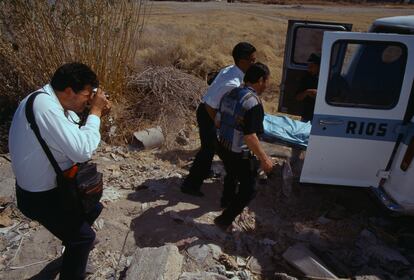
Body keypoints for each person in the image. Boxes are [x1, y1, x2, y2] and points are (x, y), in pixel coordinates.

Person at [9, 62, 111, 280]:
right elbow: (82, 150)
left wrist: (92, 111)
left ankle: (73, 251)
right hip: (40, 197)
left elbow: (74, 133)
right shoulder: (45, 108)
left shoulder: (47, 101)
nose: (89, 99)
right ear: (68, 91)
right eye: (87, 94)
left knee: (93, 208)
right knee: (84, 238)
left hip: (47, 190)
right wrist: (95, 112)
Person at [181, 42, 257, 197]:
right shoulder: (232, 82)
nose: (254, 63)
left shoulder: (231, 69)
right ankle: (190, 185)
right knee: (208, 149)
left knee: (210, 148)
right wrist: (217, 123)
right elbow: (210, 105)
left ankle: (202, 172)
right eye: (252, 60)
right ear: (243, 61)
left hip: (211, 110)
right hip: (207, 112)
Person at [214, 62, 273, 230]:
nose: (266, 85)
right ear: (261, 80)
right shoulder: (253, 103)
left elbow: (218, 121)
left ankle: (226, 201)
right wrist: (264, 158)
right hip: (238, 152)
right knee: (249, 189)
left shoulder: (230, 93)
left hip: (222, 144)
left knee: (231, 174)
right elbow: (250, 137)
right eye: (266, 81)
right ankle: (224, 219)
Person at [295, 53, 321, 122]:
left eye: (312, 66)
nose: (309, 69)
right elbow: (298, 97)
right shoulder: (306, 78)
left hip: (321, 115)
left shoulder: (328, 79)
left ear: (319, 66)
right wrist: (307, 92)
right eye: (308, 66)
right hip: (307, 116)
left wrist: (319, 94)